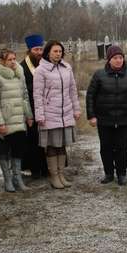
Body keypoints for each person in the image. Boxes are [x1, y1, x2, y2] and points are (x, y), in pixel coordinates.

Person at [86, 45, 127, 186]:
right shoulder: (99, 75)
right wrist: (91, 116)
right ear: (109, 60)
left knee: (122, 147)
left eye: (120, 58)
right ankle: (109, 173)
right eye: (115, 58)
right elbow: (90, 96)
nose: (118, 60)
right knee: (106, 147)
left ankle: (122, 174)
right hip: (105, 119)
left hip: (124, 118)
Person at [33, 40, 81, 189]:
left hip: (65, 112)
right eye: (55, 51)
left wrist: (76, 108)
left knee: (62, 146)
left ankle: (61, 174)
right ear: (48, 52)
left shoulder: (67, 67)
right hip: (49, 113)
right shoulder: (41, 70)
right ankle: (54, 176)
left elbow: (72, 90)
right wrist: (40, 115)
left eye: (60, 51)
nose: (58, 54)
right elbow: (38, 94)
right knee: (52, 146)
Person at [0, 48, 34, 192]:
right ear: (2, 61)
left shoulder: (19, 74)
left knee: (18, 150)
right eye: (10, 59)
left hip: (19, 120)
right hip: (5, 121)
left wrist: (29, 115)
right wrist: (0, 123)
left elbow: (25, 97)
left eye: (15, 59)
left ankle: (18, 178)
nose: (13, 62)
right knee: (4, 152)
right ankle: (7, 180)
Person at [19, 34, 48, 179]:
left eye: (41, 49)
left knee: (47, 139)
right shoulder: (21, 67)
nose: (39, 52)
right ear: (29, 50)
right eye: (36, 49)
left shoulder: (46, 64)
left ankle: (47, 168)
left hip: (46, 108)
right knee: (33, 139)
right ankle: (35, 168)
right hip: (30, 108)